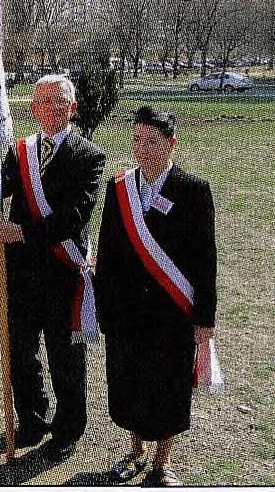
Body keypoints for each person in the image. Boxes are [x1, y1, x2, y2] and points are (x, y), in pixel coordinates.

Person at [94, 105, 218, 487]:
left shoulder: (193, 190)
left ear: (171, 144)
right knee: (129, 381)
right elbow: (108, 250)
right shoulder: (120, 188)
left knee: (167, 386)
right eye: (137, 140)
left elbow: (205, 259)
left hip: (171, 314)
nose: (143, 149)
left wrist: (204, 319)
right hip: (127, 312)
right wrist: (104, 307)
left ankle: (162, 462)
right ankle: (135, 449)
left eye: (152, 141)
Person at [0, 74, 106, 463]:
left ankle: (68, 427)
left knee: (64, 357)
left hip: (63, 273)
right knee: (21, 353)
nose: (52, 108)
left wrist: (20, 232)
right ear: (33, 108)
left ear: (72, 108)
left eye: (60, 101)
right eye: (44, 102)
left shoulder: (90, 155)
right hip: (22, 275)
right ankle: (32, 418)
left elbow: (73, 218)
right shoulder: (20, 151)